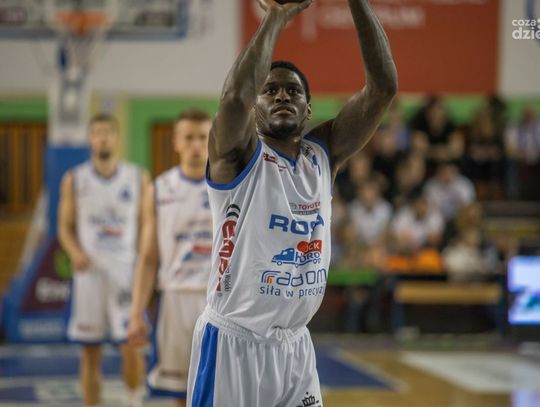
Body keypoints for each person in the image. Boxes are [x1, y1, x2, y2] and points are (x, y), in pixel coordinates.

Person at [186, 0, 397, 406]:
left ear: (307, 109)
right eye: (270, 90)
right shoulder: (237, 157)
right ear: (256, 107)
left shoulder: (324, 155)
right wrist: (275, 17)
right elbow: (233, 99)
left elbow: (383, 88)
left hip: (295, 346)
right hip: (234, 342)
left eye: (293, 91)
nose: (282, 95)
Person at [58, 114, 148, 407]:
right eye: (97, 132)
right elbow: (64, 227)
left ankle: (133, 400)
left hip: (125, 275)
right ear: (90, 139)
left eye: (108, 132)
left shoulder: (137, 177)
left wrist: (144, 263)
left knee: (131, 345)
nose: (103, 137)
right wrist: (75, 252)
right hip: (89, 276)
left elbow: (147, 227)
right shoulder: (74, 179)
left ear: (117, 137)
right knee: (90, 351)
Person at [127, 110, 213, 407]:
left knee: (222, 391)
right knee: (181, 394)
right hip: (175, 298)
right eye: (188, 138)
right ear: (176, 142)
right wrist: (136, 312)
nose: (195, 145)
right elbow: (148, 256)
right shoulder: (159, 189)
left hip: (219, 301)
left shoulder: (229, 186)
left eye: (202, 137)